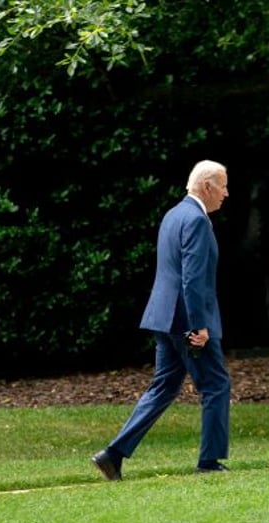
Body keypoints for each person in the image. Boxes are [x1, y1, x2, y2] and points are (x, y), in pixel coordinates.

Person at [92, 159, 232, 480]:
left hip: (163, 318)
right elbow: (192, 278)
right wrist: (198, 324)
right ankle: (209, 462)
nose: (226, 193)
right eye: (223, 185)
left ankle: (112, 454)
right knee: (215, 385)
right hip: (186, 321)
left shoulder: (173, 215)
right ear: (207, 186)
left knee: (164, 387)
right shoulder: (196, 220)